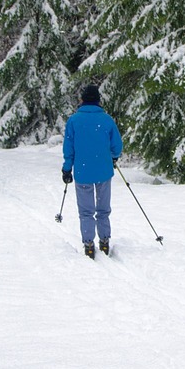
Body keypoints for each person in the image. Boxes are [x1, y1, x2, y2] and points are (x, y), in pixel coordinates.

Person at [62, 84, 123, 258]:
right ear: (98, 100)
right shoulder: (106, 119)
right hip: (103, 170)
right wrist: (113, 156)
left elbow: (69, 148)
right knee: (103, 208)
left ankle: (88, 243)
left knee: (86, 210)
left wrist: (67, 169)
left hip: (83, 172)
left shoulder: (73, 121)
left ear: (82, 100)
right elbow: (117, 146)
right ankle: (104, 241)